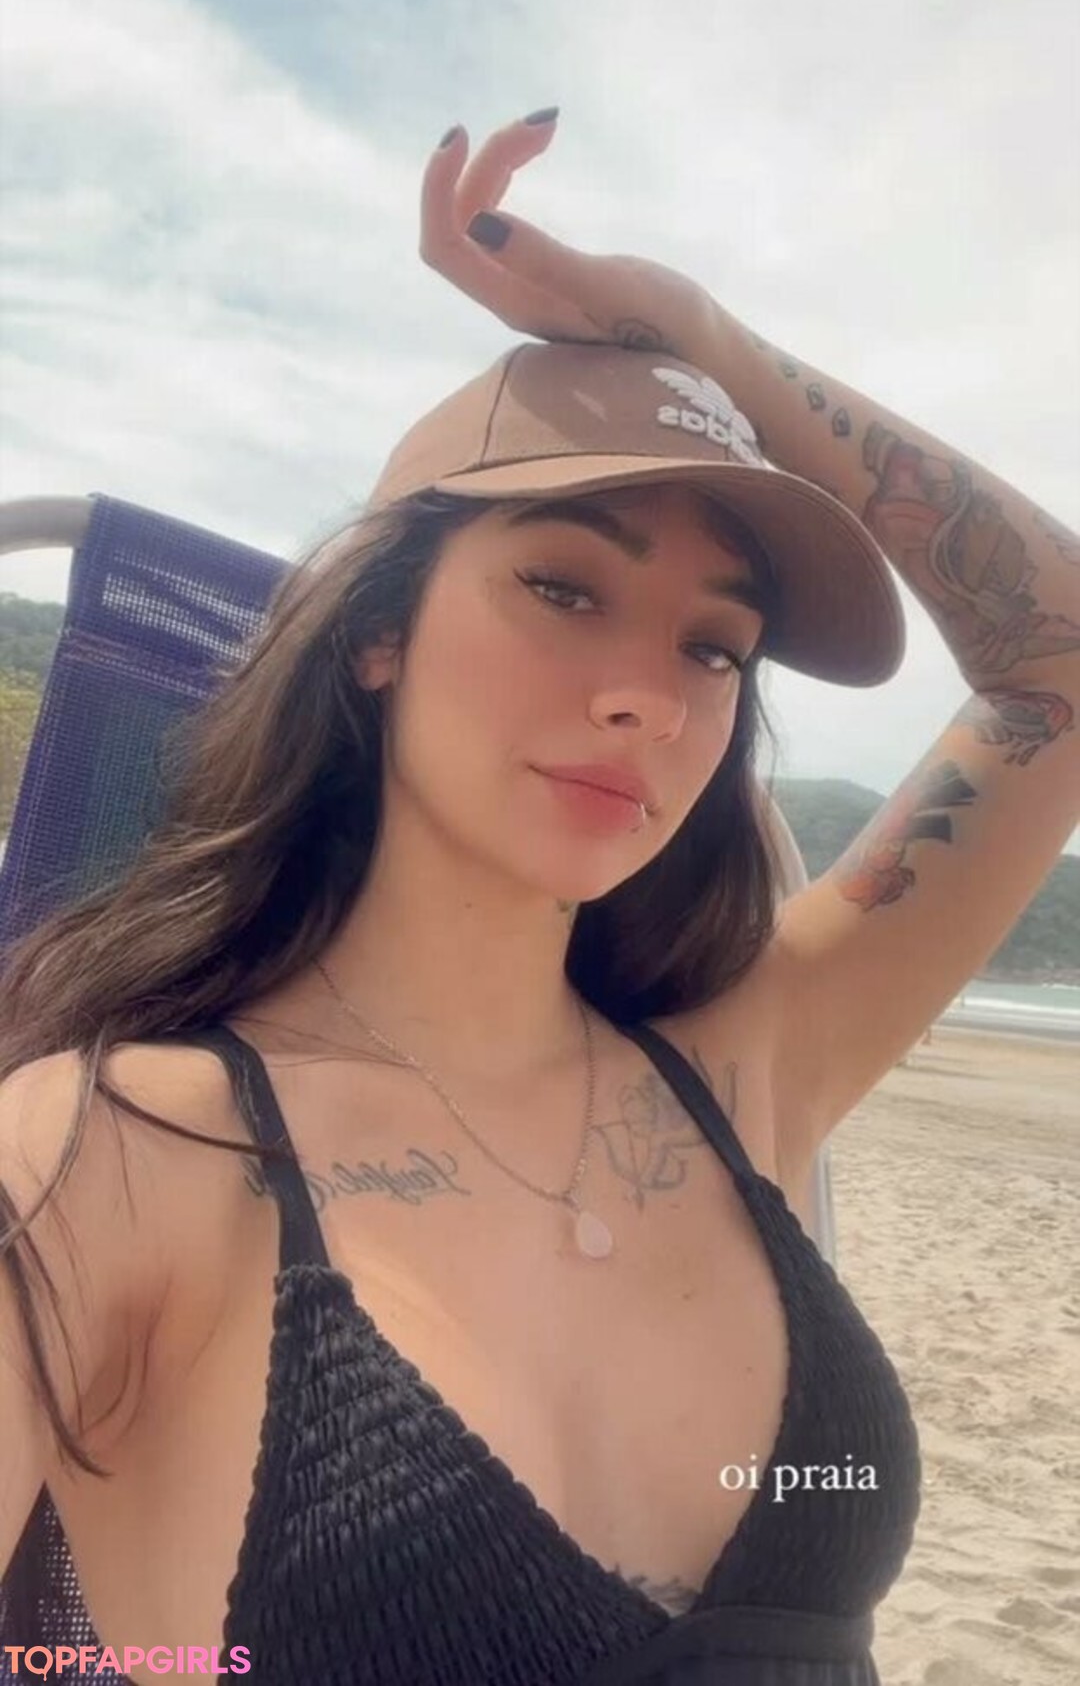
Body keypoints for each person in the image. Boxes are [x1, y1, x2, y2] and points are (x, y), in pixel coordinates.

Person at [1, 110, 1077, 1686]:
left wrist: (703, 339)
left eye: (715, 646)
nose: (651, 694)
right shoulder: (108, 1159)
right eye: (564, 587)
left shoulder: (742, 1080)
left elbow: (1058, 651)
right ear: (378, 631)